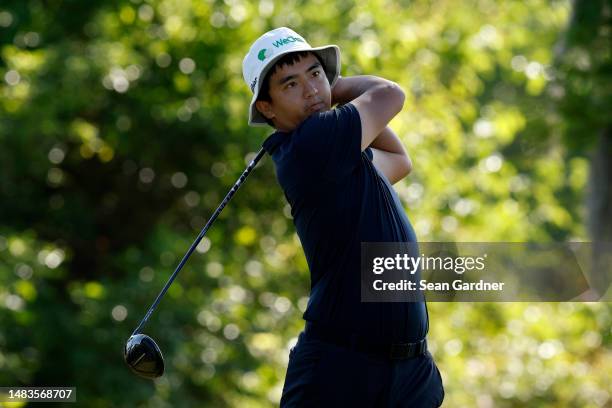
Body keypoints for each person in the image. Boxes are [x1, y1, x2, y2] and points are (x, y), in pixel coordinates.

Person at [242, 27, 444, 407]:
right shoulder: (313, 143)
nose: (310, 90)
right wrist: (334, 84)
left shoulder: (337, 156)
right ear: (266, 108)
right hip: (343, 372)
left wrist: (323, 90)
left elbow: (399, 162)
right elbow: (390, 95)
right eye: (290, 84)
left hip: (407, 372)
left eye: (315, 74)